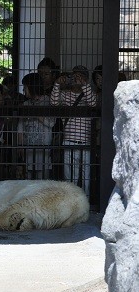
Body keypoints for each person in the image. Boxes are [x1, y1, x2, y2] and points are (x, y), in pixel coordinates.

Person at [50, 65, 97, 195]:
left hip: (86, 142)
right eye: (74, 76)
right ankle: (71, 200)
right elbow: (53, 103)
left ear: (86, 79)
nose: (76, 79)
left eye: (80, 76)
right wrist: (57, 84)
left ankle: (86, 200)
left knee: (86, 177)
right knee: (69, 177)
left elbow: (93, 103)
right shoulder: (65, 95)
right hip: (68, 141)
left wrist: (84, 85)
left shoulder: (89, 94)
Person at [17, 73, 55, 179]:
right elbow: (20, 126)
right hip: (28, 147)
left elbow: (51, 123)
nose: (24, 91)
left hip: (43, 147)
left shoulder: (48, 102)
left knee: (42, 181)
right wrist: (20, 145)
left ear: (32, 87)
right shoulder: (26, 104)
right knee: (28, 180)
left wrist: (36, 114)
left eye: (25, 87)